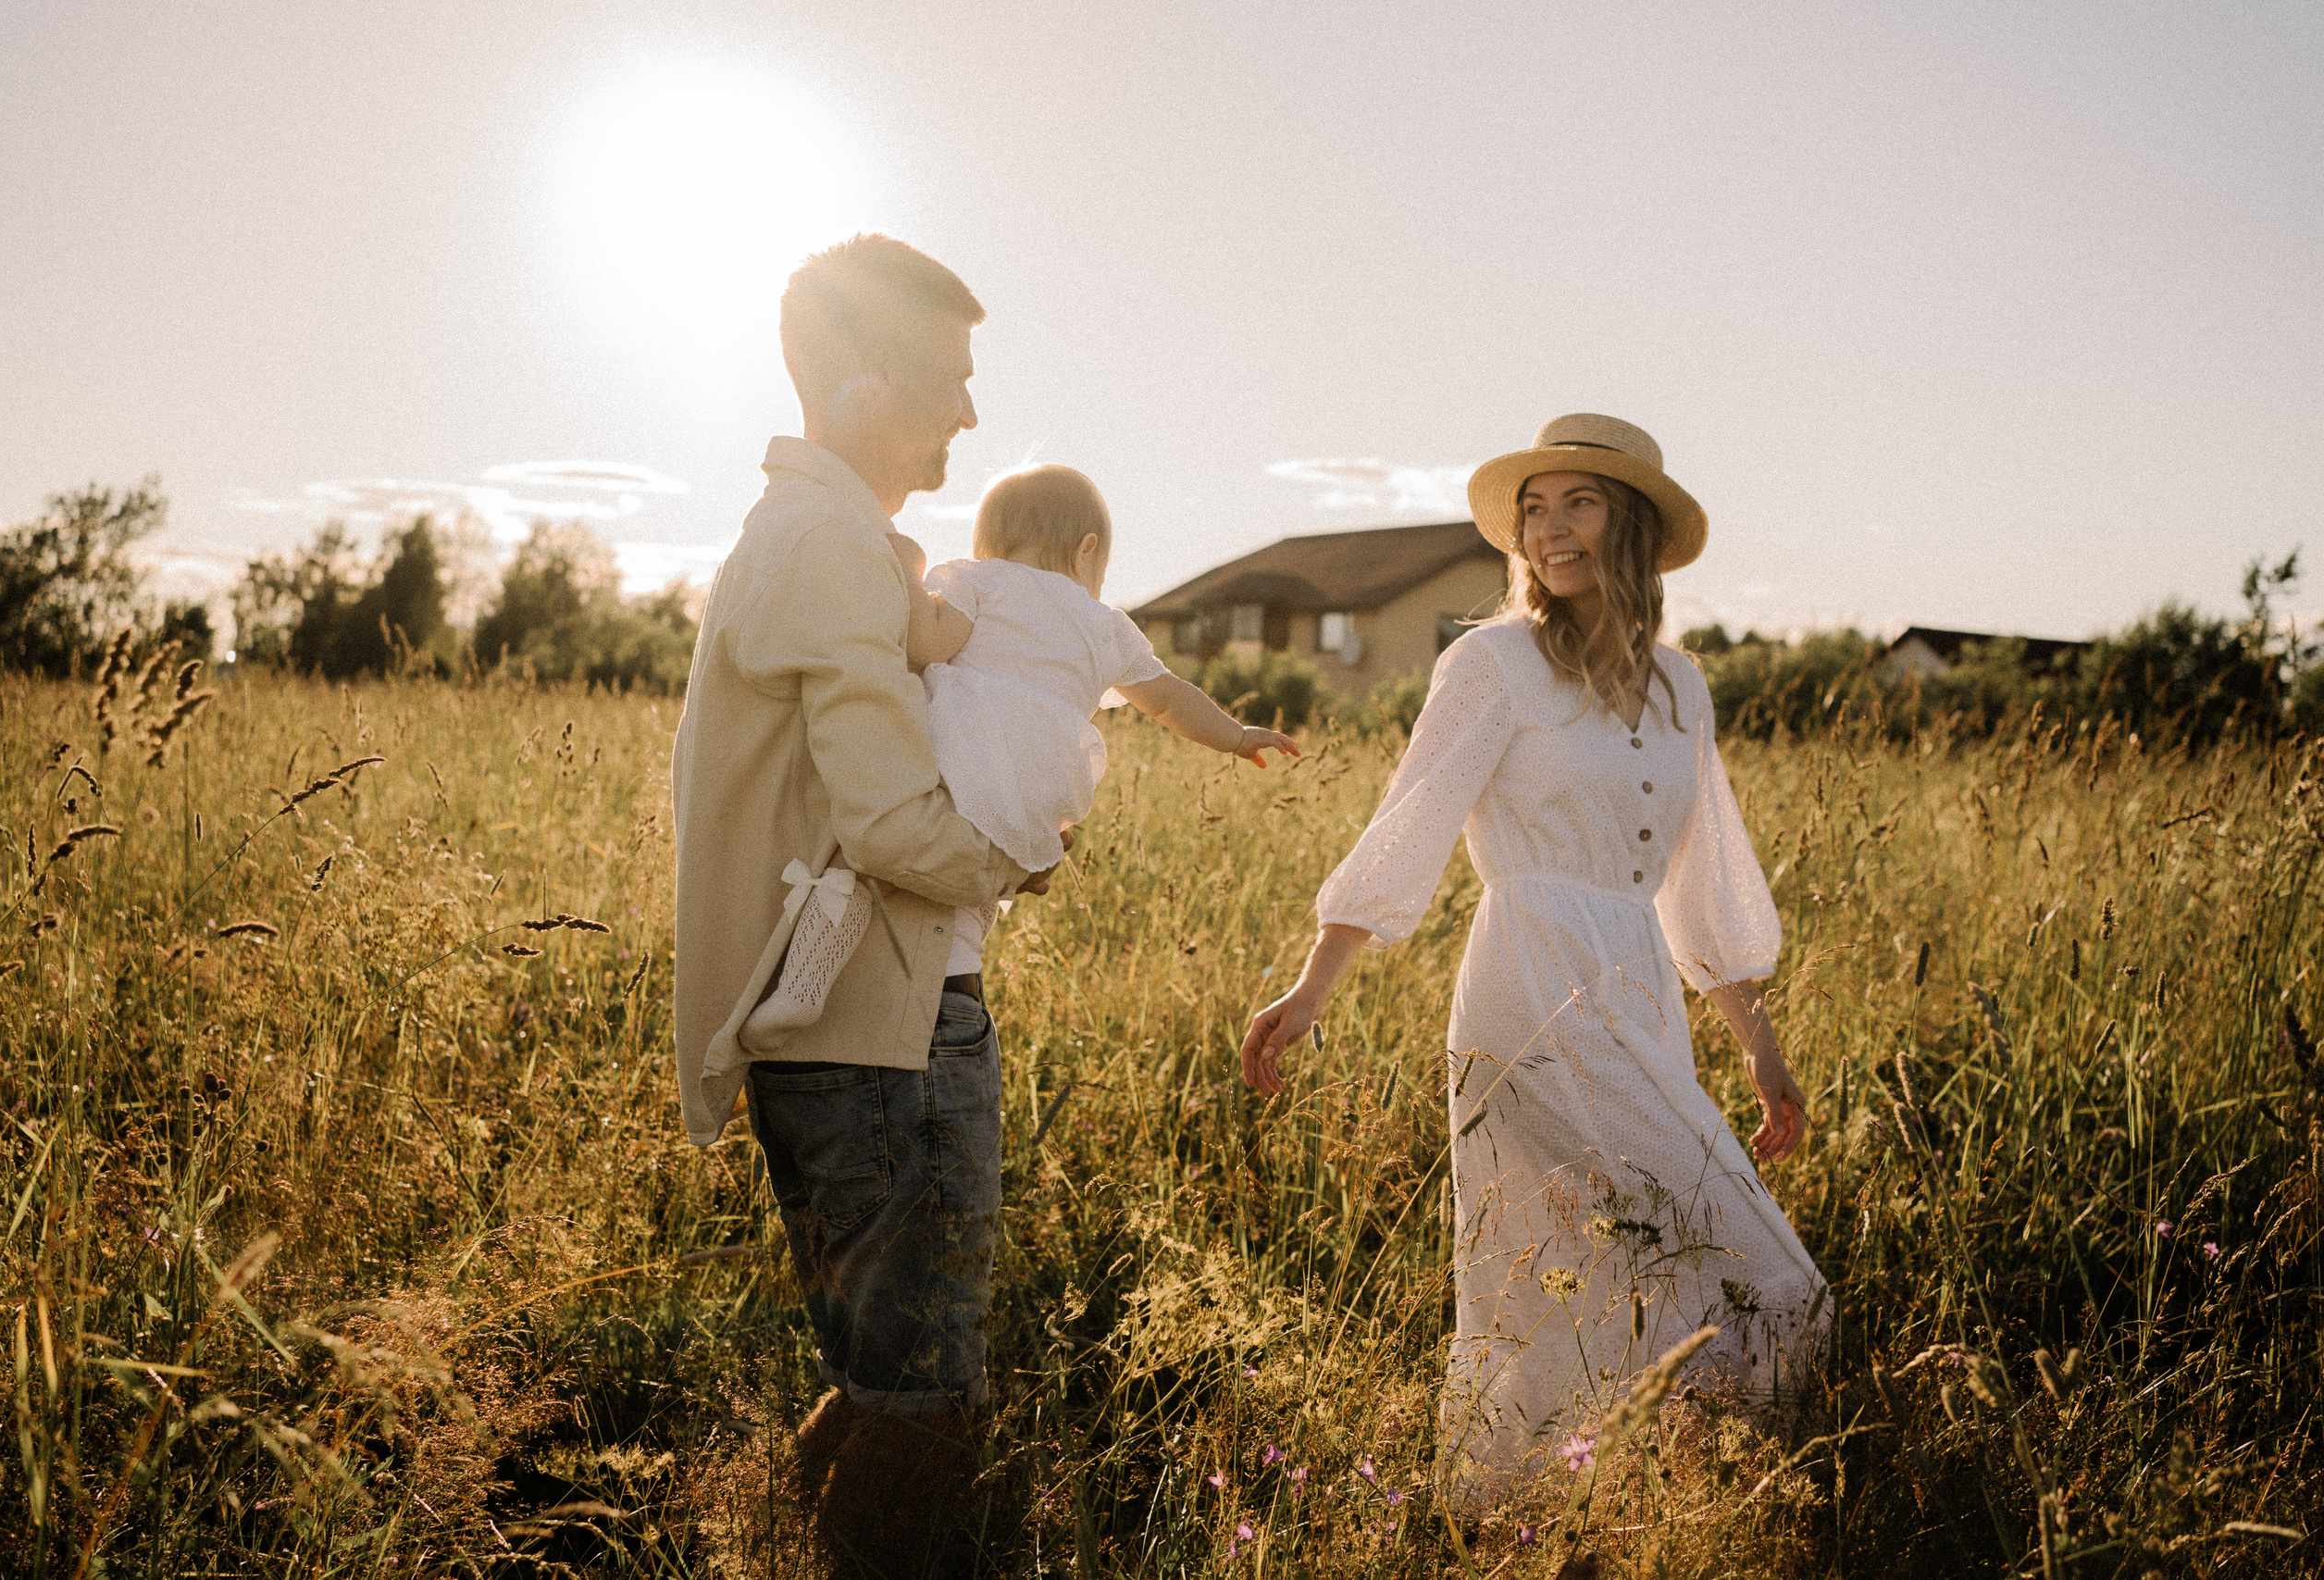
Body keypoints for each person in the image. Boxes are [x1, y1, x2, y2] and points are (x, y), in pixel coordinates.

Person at [1237, 414, 1828, 1505]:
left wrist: (1760, 1046)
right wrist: (1313, 984)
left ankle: (1585, 1508)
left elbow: (1704, 878)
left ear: (1632, 525)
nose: (1550, 530)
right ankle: (1687, 1498)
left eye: (1580, 503)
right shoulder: (1490, 663)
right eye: (1534, 510)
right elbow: (1408, 821)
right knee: (1771, 1280)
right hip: (1529, 977)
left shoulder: (1680, 686)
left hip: (1638, 979)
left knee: (1608, 1271)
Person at [669, 233, 1046, 1572]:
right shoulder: (826, 544)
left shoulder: (834, 537)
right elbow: (892, 820)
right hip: (872, 1031)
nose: (970, 410)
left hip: (868, 1016)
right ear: (867, 387)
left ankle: (783, 1540)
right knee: (923, 1398)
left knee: (890, 1376)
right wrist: (1026, 856)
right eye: (950, 376)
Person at [742, 462, 1299, 1044]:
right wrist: (1236, 736)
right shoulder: (1106, 625)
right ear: (1087, 552)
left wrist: (909, 575)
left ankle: (803, 987)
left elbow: (929, 643)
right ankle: (962, 952)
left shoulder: (977, 581)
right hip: (1043, 790)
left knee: (860, 855)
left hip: (959, 755)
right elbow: (1169, 699)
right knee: (984, 885)